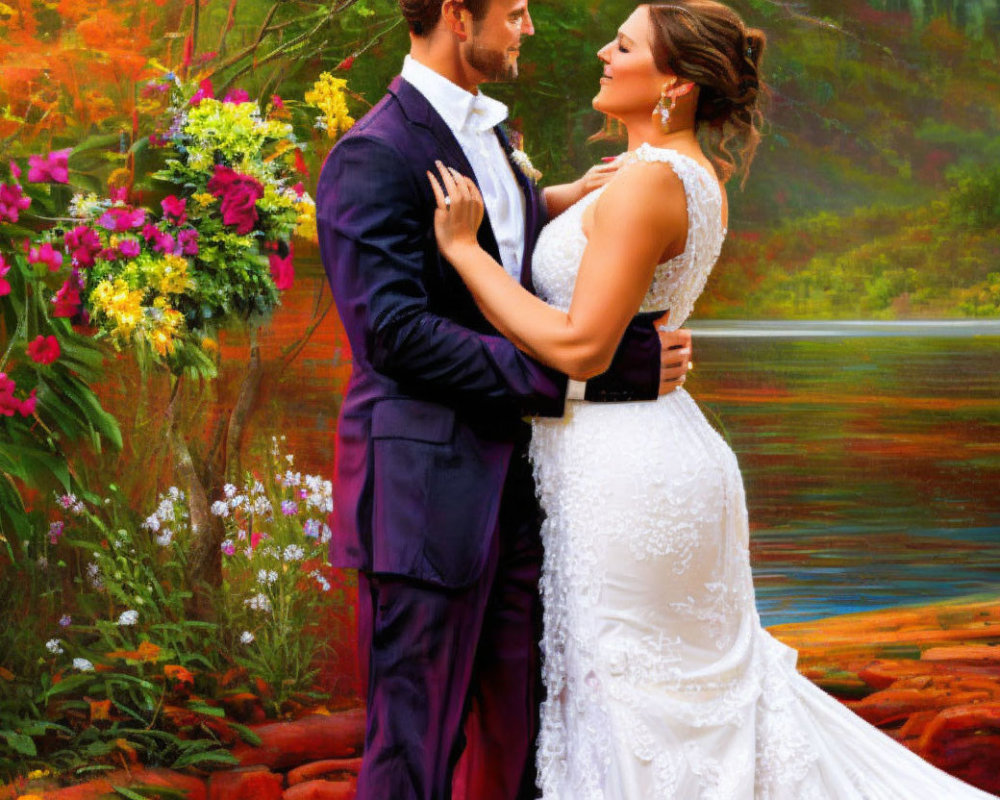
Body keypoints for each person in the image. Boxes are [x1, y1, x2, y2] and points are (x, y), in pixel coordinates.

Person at [429, 2, 998, 797]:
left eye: (623, 45)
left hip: (627, 475)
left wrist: (464, 255)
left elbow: (580, 346)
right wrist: (552, 201)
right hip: (639, 456)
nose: (603, 50)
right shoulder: (664, 177)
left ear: (675, 83)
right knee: (661, 706)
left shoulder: (651, 184)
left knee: (641, 708)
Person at [315, 0, 695, 796]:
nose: (528, 28)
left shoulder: (494, 136)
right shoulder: (371, 155)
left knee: (521, 751)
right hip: (423, 497)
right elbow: (393, 334)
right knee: (410, 754)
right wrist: (590, 374)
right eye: (515, 12)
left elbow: (499, 257)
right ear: (459, 14)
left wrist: (554, 200)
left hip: (526, 491)